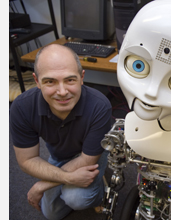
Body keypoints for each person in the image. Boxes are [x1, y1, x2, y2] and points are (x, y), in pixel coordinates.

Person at [9, 44, 112, 220]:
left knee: (76, 199)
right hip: (59, 156)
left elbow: (86, 159)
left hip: (89, 155)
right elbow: (26, 160)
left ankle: (100, 191)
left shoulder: (99, 106)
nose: (62, 92)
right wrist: (69, 178)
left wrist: (41, 185)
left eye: (70, 80)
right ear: (36, 81)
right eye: (50, 81)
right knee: (51, 214)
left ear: (81, 77)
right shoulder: (21, 107)